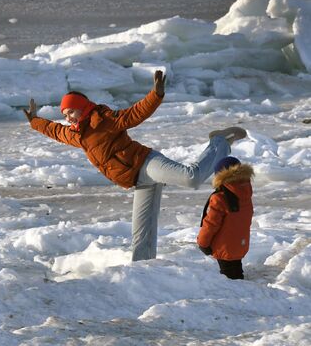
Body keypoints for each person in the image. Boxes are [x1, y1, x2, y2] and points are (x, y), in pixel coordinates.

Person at [23, 70, 247, 261]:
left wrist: (156, 95)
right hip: (137, 181)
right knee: (141, 237)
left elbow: (134, 115)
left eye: (70, 111)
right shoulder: (77, 135)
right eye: (65, 114)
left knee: (191, 177)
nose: (68, 118)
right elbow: (55, 130)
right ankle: (143, 272)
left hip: (146, 163)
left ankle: (219, 141)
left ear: (82, 107)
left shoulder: (104, 119)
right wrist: (34, 121)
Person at [197, 156, 254, 279]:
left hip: (224, 247)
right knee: (236, 270)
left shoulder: (220, 198)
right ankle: (243, 287)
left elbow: (210, 224)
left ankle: (239, 295)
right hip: (240, 243)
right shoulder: (245, 194)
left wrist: (203, 243)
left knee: (228, 277)